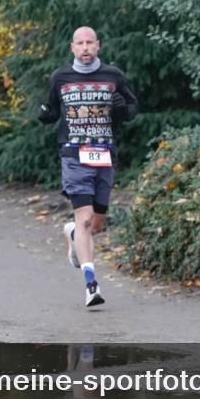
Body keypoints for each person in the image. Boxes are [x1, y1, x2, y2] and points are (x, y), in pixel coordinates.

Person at [38, 26, 139, 307]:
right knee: (84, 218)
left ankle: (73, 234)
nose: (84, 48)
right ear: (72, 47)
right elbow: (52, 111)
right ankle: (91, 286)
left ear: (98, 45)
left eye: (89, 43)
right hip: (73, 156)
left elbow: (132, 109)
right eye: (79, 43)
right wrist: (44, 114)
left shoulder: (113, 76)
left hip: (104, 155)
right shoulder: (60, 78)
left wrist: (121, 109)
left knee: (95, 224)